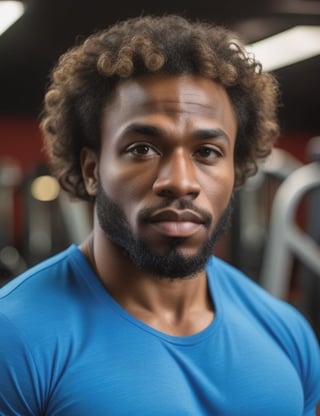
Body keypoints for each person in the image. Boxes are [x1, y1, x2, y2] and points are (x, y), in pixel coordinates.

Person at [0, 15, 319, 416]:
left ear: (235, 170)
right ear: (91, 170)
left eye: (207, 152)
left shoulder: (286, 333)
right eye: (142, 149)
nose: (181, 182)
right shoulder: (13, 338)